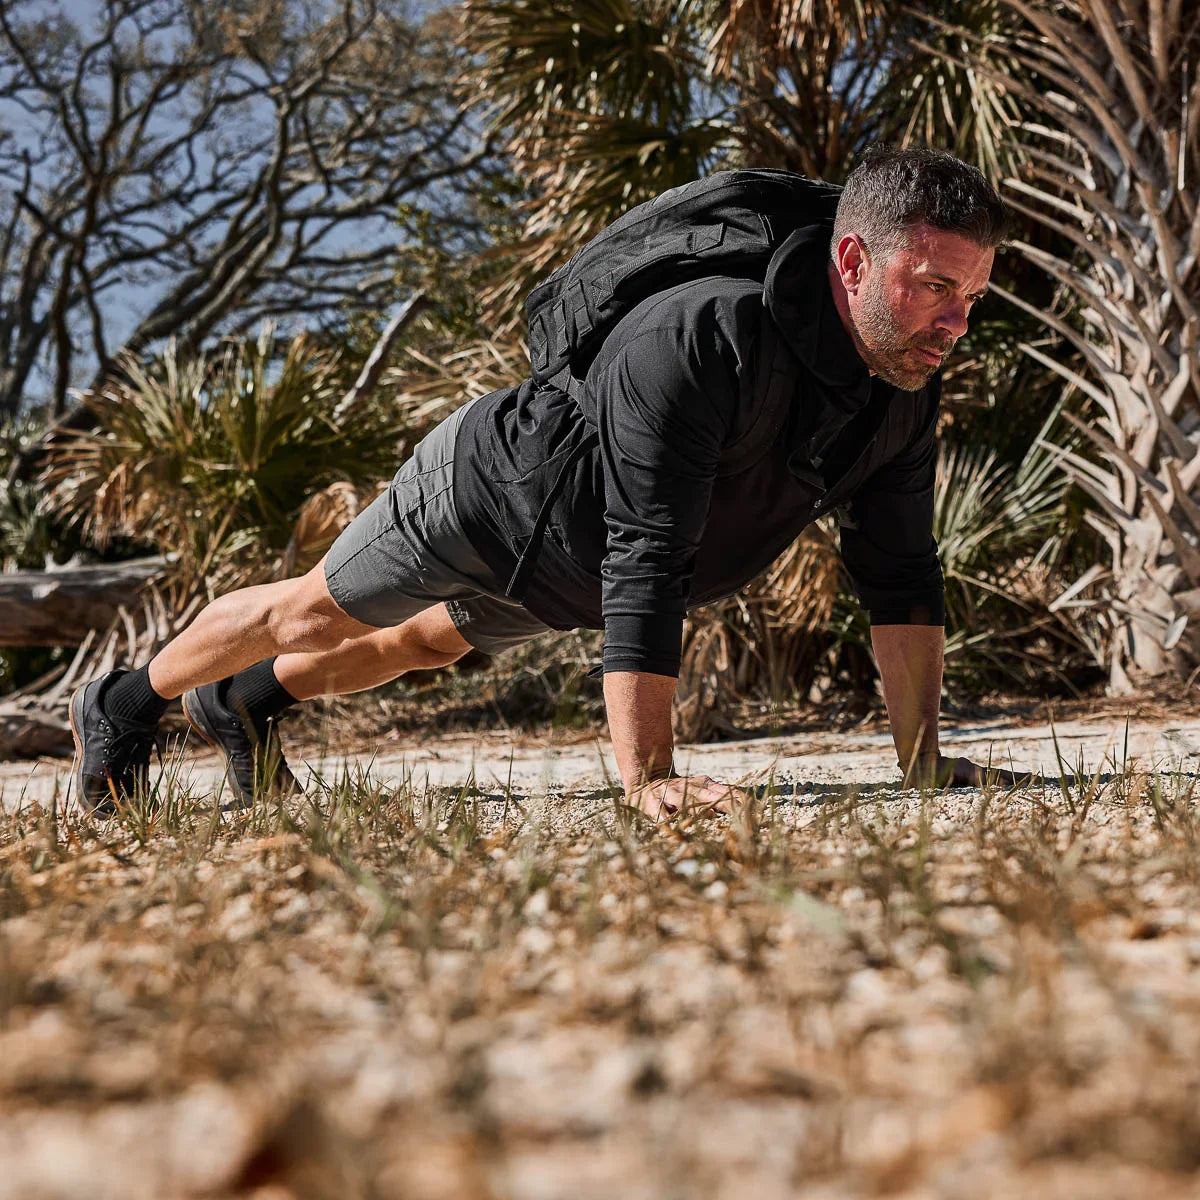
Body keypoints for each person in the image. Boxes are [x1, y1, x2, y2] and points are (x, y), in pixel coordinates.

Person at [70, 146, 1019, 820]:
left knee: (417, 650)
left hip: (571, 571)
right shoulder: (701, 337)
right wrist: (649, 779)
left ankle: (242, 703)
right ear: (851, 259)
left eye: (971, 299)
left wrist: (923, 765)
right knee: (317, 614)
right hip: (493, 492)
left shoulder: (900, 389)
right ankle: (123, 704)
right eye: (934, 286)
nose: (955, 324)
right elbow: (650, 545)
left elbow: (899, 576)